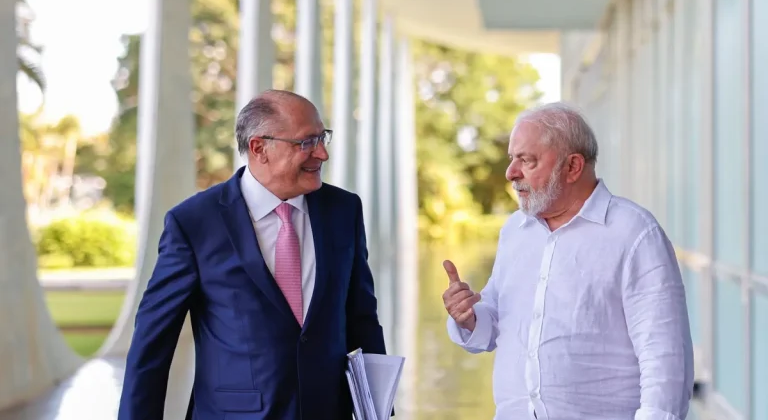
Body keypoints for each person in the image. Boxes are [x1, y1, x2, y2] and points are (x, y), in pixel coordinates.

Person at [118, 90, 388, 420]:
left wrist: (378, 411)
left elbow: (362, 319)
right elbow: (152, 344)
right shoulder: (194, 223)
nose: (322, 153)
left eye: (322, 138)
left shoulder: (344, 210)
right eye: (306, 142)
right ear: (259, 148)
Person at [442, 102, 694, 420]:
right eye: (512, 159)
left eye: (526, 160)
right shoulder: (515, 231)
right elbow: (496, 326)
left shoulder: (635, 233)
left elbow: (665, 359)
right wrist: (468, 317)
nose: (510, 173)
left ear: (573, 166)